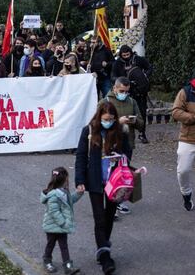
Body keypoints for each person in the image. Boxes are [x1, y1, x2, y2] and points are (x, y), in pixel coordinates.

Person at [75, 102, 131, 274]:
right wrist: (79, 180)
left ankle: (103, 248)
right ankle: (105, 256)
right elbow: (81, 156)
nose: (109, 122)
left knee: (109, 216)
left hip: (115, 182)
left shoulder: (120, 131)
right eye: (106, 119)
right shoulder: (89, 131)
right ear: (99, 117)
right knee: (99, 218)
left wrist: (120, 158)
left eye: (112, 119)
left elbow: (128, 152)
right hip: (95, 182)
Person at [98, 77, 144, 216]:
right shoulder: (105, 102)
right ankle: (110, 204)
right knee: (110, 174)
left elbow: (142, 123)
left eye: (127, 91)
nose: (124, 93)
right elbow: (97, 123)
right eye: (121, 91)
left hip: (127, 142)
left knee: (123, 173)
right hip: (110, 145)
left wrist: (134, 121)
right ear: (114, 89)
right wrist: (117, 121)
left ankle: (118, 201)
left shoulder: (132, 102)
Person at [41, 167, 84, 274]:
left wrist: (78, 194)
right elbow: (54, 211)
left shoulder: (64, 192)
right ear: (64, 180)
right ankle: (47, 260)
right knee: (50, 244)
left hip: (61, 226)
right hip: (52, 226)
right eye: (67, 180)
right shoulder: (53, 195)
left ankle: (68, 265)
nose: (68, 182)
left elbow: (69, 201)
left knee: (64, 245)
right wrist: (63, 223)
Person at [111, 45, 153, 144]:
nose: (126, 57)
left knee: (142, 113)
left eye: (127, 54)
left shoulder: (138, 59)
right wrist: (120, 82)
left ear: (131, 53)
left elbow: (149, 67)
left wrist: (144, 76)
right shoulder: (117, 63)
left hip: (139, 91)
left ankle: (142, 133)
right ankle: (124, 133)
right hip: (124, 91)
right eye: (124, 55)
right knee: (124, 112)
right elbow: (112, 76)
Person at [172, 71, 195, 211]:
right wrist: (193, 117)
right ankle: (186, 194)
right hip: (188, 138)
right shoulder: (185, 92)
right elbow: (175, 112)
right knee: (183, 170)